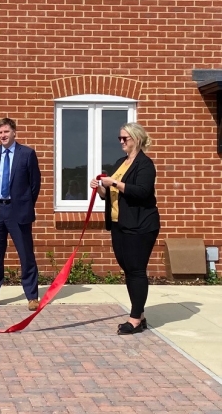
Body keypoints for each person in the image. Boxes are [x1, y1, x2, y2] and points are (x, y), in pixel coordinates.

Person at [90, 122, 160, 335]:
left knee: (136, 270)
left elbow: (141, 192)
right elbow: (112, 194)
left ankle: (135, 319)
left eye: (125, 138)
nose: (121, 142)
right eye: (119, 138)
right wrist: (101, 188)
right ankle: (140, 314)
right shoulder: (122, 162)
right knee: (128, 269)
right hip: (120, 224)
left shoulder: (145, 164)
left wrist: (114, 183)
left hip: (141, 225)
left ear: (136, 139)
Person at [0, 118, 42, 311]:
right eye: (0, 133)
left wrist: (24, 205)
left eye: (6, 131)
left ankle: (32, 296)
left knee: (26, 255)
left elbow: (35, 185)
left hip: (18, 212)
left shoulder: (27, 154)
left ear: (14, 132)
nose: (3, 136)